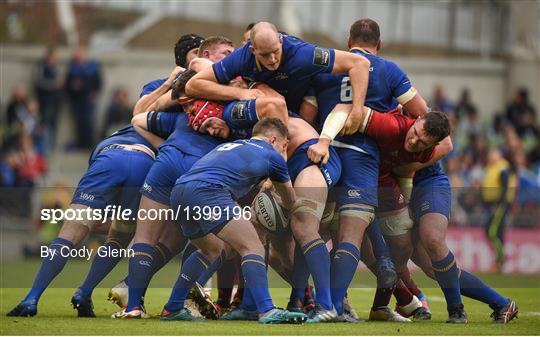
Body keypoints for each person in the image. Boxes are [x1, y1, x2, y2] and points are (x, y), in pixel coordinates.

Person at [112, 37, 235, 319]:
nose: (230, 57)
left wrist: (162, 146)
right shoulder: (228, 85)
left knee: (146, 237)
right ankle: (176, 304)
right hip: (198, 170)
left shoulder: (184, 98)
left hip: (167, 161)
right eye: (226, 53)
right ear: (206, 54)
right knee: (218, 245)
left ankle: (133, 307)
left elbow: (139, 119)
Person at [162, 117, 307, 324]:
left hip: (180, 191)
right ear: (273, 139)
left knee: (210, 250)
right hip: (209, 192)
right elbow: (289, 199)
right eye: (284, 146)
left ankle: (173, 308)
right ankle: (266, 310)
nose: (283, 151)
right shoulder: (271, 156)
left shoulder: (232, 145)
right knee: (253, 247)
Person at [6, 123, 157, 317]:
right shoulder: (166, 123)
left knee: (69, 233)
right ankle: (84, 291)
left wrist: (85, 224)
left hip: (107, 157)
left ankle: (31, 299)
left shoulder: (131, 124)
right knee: (121, 237)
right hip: (144, 162)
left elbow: (96, 220)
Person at [186, 21, 371, 135]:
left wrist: (357, 110)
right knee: (273, 105)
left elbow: (359, 63)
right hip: (261, 106)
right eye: (265, 55)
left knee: (300, 128)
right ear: (252, 50)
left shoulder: (303, 54)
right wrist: (236, 93)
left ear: (281, 41)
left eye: (275, 52)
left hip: (297, 107)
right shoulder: (242, 57)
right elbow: (193, 85)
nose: (272, 60)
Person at [65, 45, 102, 149]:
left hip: (89, 99)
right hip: (77, 100)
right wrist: (73, 87)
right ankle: (80, 144)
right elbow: (67, 85)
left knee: (89, 121)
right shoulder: (72, 68)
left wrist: (95, 93)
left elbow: (98, 82)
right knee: (78, 122)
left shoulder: (92, 66)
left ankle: (89, 144)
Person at [34, 46, 63, 147]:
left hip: (55, 100)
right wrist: (53, 84)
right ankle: (44, 146)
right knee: (44, 123)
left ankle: (52, 145)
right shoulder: (41, 66)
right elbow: (39, 82)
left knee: (54, 123)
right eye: (54, 56)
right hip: (44, 100)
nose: (55, 59)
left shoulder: (56, 67)